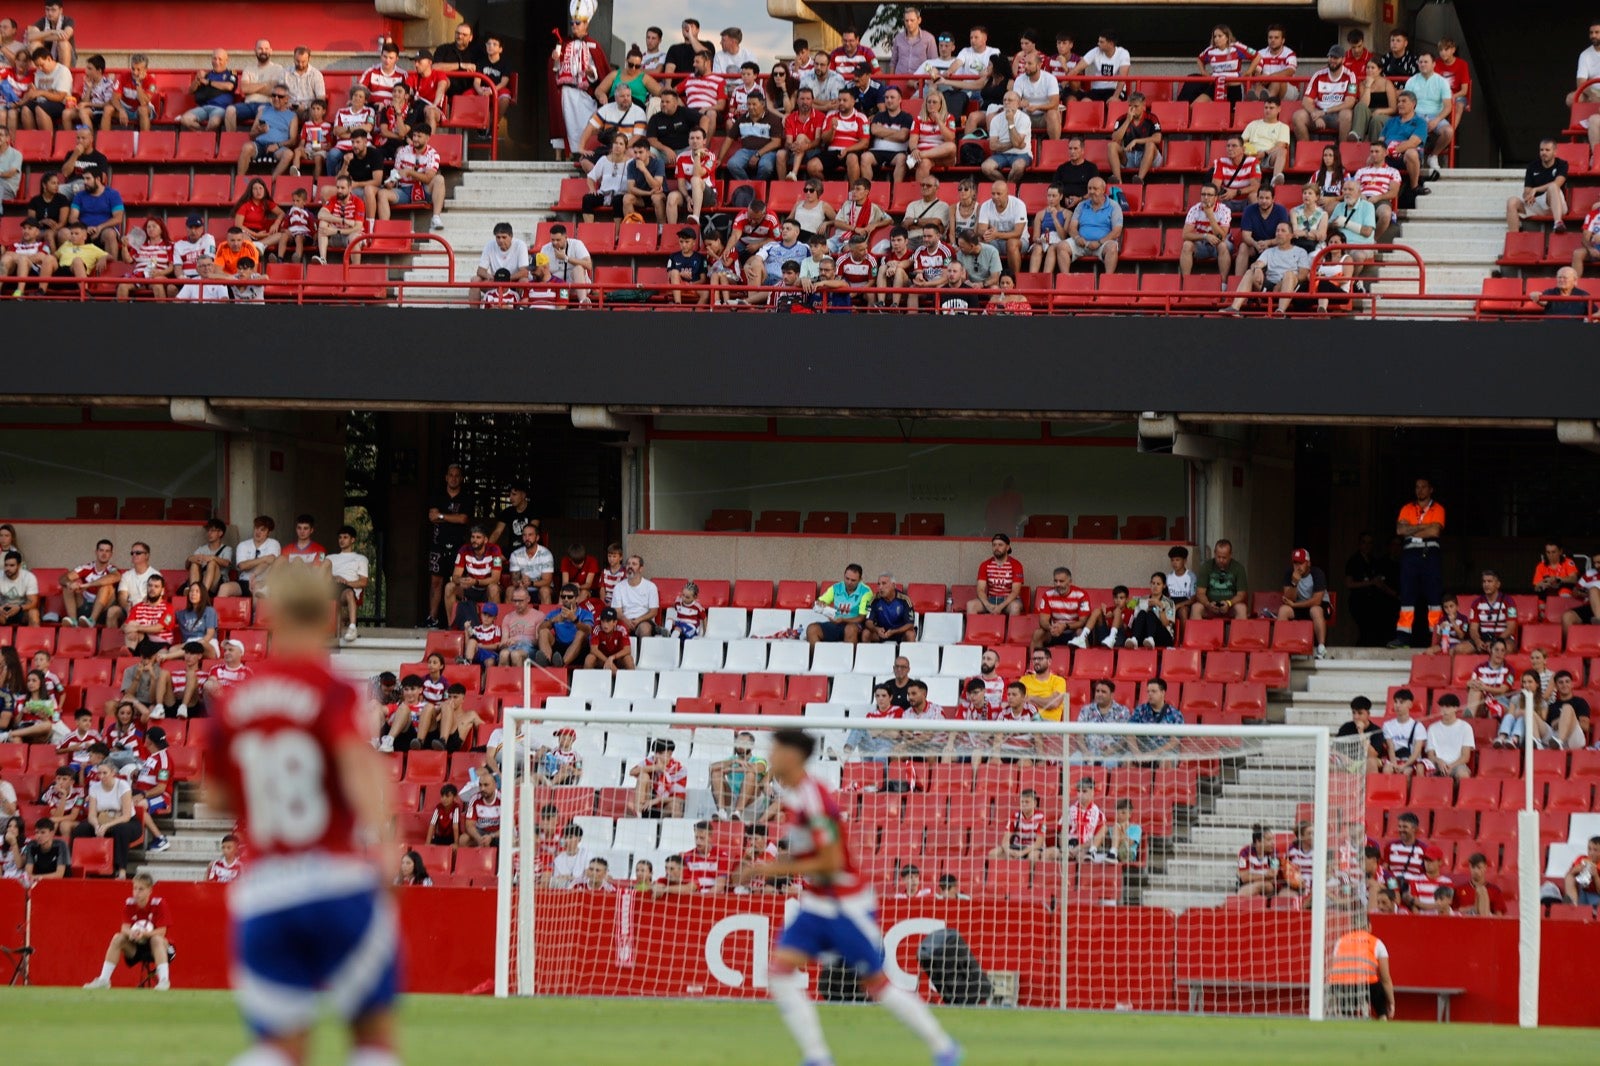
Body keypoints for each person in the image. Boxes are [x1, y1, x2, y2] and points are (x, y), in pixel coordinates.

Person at [203, 560, 399, 1061]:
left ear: (271, 616)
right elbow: (360, 771)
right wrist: (386, 847)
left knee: (279, 1048)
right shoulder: (332, 690)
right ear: (327, 617)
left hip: (266, 889)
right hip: (337, 879)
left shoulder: (236, 699)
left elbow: (216, 799)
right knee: (372, 1037)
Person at [732, 729, 960, 1065]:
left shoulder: (813, 798)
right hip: (816, 903)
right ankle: (817, 1056)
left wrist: (767, 871)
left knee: (877, 986)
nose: (771, 756)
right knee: (780, 973)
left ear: (793, 756)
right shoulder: (796, 798)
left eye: (776, 750)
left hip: (844, 906)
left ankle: (943, 1047)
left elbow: (831, 861)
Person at [1388, 477, 1444, 648]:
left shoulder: (1438, 508)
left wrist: (1411, 529)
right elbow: (1400, 530)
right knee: (1407, 597)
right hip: (1410, 556)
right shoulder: (1407, 508)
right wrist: (1424, 527)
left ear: (1431, 489)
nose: (1420, 490)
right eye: (1417, 487)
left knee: (1434, 598)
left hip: (1430, 554)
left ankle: (1436, 638)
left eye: (1423, 487)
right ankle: (1403, 637)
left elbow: (1435, 531)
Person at [1329, 913, 1395, 1020]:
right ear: (1369, 926)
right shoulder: (1376, 943)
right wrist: (1391, 1003)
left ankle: (1345, 1019)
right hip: (1368, 984)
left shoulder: (1340, 941)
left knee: (1346, 1013)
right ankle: (1383, 1017)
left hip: (1341, 985)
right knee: (1379, 994)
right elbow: (1385, 978)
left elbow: (1333, 968)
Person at [1064, 177, 1122, 275]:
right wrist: (1077, 237)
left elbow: (1117, 231)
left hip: (1103, 244)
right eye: (1089, 188)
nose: (1091, 191)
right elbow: (1072, 227)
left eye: (1095, 189)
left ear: (1103, 190)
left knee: (1112, 248)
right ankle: (1065, 278)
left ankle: (1108, 280)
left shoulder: (1114, 206)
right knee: (1062, 247)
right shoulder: (1081, 205)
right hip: (1082, 243)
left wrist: (1099, 242)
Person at [807, 564, 872, 646]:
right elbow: (820, 601)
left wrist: (843, 620)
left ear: (860, 580)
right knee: (812, 629)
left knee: (850, 629)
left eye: (853, 580)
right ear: (844, 576)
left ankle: (849, 658)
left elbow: (861, 617)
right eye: (847, 578)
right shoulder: (836, 587)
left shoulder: (866, 592)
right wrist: (819, 604)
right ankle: (819, 657)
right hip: (836, 623)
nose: (849, 582)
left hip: (855, 625)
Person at [1179, 184, 1231, 277]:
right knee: (1186, 245)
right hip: (1202, 243)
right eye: (1203, 194)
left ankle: (1224, 285)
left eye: (1209, 195)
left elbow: (1221, 236)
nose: (1206, 197)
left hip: (1220, 244)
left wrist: (1210, 215)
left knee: (1222, 246)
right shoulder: (1194, 209)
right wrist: (1205, 236)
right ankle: (1185, 282)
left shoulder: (1224, 210)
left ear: (1216, 198)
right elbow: (1185, 235)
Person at [1191, 539, 1248, 620]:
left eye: (1224, 557)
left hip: (1230, 607)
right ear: (1214, 553)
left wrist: (1229, 603)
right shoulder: (1206, 566)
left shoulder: (1238, 568)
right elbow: (1200, 593)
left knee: (1241, 608)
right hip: (1210, 606)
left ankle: (1239, 633)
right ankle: (1198, 633)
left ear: (1230, 555)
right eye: (1218, 557)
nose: (1221, 560)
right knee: (1196, 608)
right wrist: (1208, 604)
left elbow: (1241, 595)